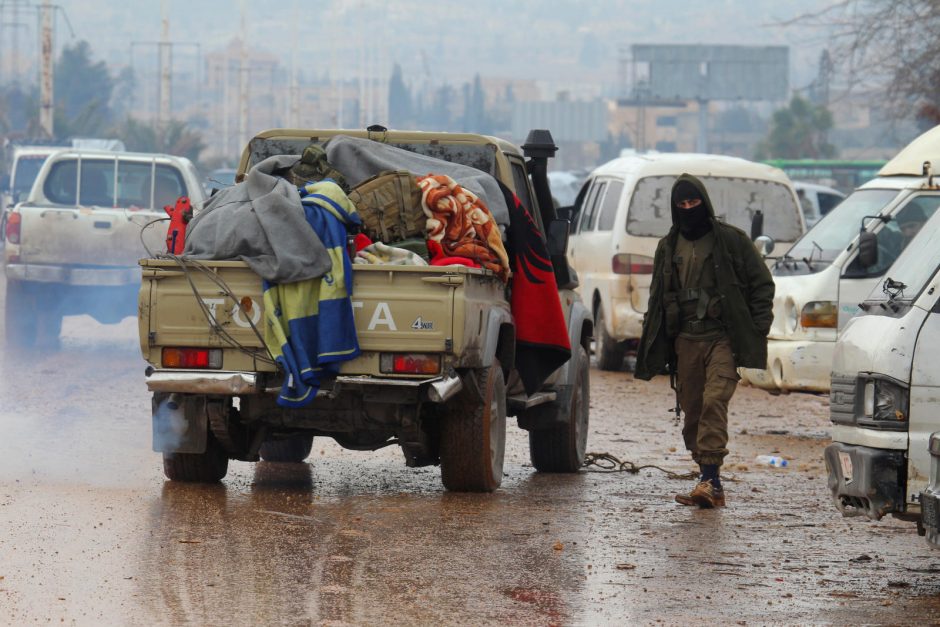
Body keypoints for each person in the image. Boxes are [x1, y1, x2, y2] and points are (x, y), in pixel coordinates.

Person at [634, 173, 775, 508]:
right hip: (685, 340)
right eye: (681, 204)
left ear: (704, 202)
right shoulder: (668, 247)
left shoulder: (731, 240)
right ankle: (708, 478)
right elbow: (656, 299)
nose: (688, 208)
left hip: (722, 338)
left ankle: (710, 481)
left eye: (693, 202)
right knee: (694, 410)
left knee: (714, 399)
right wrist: (653, 344)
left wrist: (756, 329)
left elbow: (762, 286)